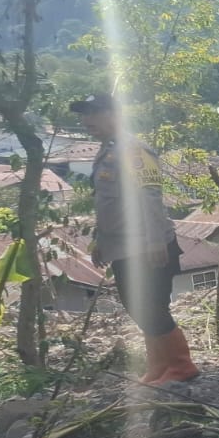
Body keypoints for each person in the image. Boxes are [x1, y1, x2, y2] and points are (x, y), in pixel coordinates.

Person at [73, 94, 198, 384]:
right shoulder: (108, 150)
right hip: (123, 246)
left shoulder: (134, 150)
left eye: (93, 113)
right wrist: (101, 241)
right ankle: (159, 367)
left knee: (151, 307)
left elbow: (150, 196)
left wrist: (155, 240)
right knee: (138, 306)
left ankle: (181, 366)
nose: (86, 120)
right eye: (83, 114)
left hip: (147, 244)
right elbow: (108, 203)